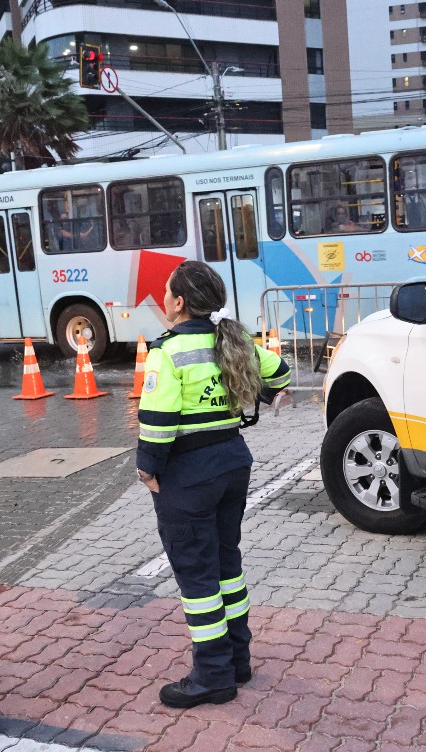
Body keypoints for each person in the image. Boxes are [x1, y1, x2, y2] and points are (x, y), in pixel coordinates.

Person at [136, 261, 291, 709]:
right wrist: (255, 391)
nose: (163, 299)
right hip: (231, 464)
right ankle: (237, 660)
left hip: (188, 475)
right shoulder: (234, 340)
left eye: (166, 293)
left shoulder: (167, 353)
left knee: (197, 576)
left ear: (179, 303)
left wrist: (147, 469)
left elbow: (158, 420)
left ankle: (213, 676)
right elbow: (279, 375)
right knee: (227, 566)